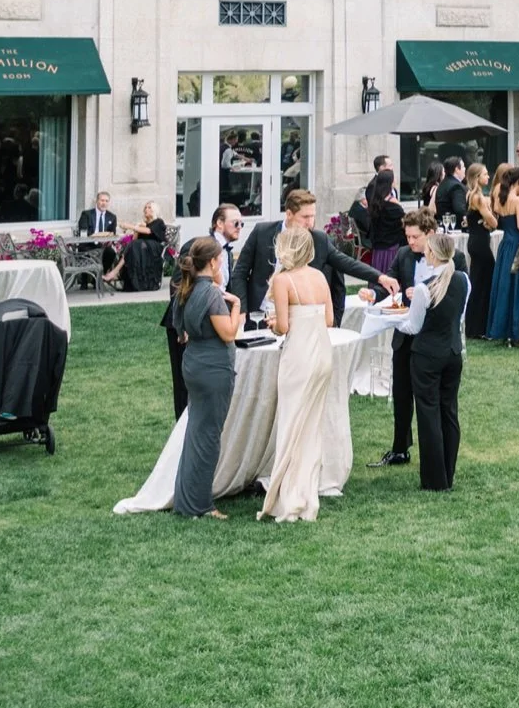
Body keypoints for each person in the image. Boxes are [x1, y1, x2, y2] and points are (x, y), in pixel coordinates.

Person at [257, 225, 341, 523]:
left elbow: (283, 327)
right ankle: (307, 493)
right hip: (321, 355)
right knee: (311, 426)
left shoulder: (283, 280)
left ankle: (291, 496)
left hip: (299, 357)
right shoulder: (319, 276)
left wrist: (274, 323)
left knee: (292, 422)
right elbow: (329, 319)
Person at [228, 189, 397, 325]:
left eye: (313, 216)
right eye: (305, 217)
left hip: (298, 322)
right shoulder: (262, 232)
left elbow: (347, 263)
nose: (310, 222)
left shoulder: (319, 239)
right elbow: (240, 272)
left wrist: (380, 277)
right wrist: (242, 311)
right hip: (258, 317)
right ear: (289, 214)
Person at [166, 235, 242, 518]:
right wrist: (236, 306)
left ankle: (187, 500)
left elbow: (180, 330)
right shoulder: (211, 293)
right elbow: (229, 333)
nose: (222, 266)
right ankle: (200, 504)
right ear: (211, 262)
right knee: (208, 436)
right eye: (220, 261)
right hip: (213, 367)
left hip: (194, 362)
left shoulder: (185, 290)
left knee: (196, 432)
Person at [395, 231, 470, 491]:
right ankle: (448, 472)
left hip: (427, 356)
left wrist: (394, 321)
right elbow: (459, 317)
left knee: (429, 415)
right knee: (449, 412)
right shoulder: (463, 281)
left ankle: (434, 479)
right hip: (452, 352)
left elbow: (413, 327)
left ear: (432, 254)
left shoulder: (424, 288)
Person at [370, 211, 439, 468]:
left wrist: (425, 293)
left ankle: (433, 451)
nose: (410, 241)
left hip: (431, 338)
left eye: (415, 236)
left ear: (430, 234)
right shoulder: (403, 255)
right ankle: (400, 448)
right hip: (404, 336)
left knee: (428, 397)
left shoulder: (449, 257)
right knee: (401, 393)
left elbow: (456, 290)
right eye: (407, 236)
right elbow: (389, 282)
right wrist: (373, 292)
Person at [484, 166, 519, 345]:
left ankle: (501, 327)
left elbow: (499, 224)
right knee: (517, 285)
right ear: (518, 182)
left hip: (505, 245)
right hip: (518, 245)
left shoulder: (500, 199)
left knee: (504, 285)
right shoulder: (517, 200)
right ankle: (515, 329)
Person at [461, 163, 495, 338]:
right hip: (481, 244)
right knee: (484, 283)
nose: (488, 177)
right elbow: (493, 221)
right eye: (485, 174)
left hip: (475, 242)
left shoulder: (470, 195)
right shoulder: (479, 198)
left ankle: (475, 326)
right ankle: (479, 327)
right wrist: (489, 220)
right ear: (477, 178)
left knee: (478, 282)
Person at [357, 157, 405, 273]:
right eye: (390, 165)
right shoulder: (388, 204)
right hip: (388, 243)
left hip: (382, 242)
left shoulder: (379, 200)